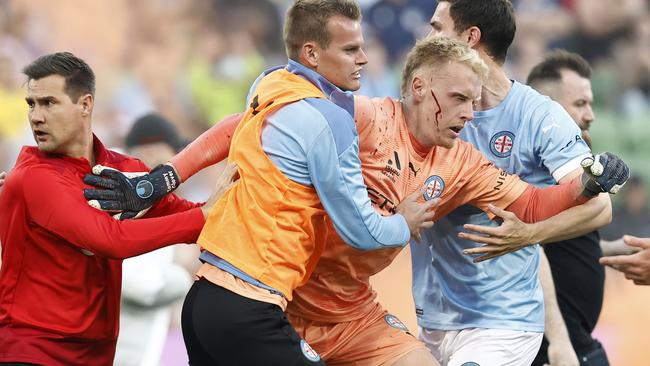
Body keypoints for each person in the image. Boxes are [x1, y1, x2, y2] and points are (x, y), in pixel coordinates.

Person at [85, 36, 629, 366]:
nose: (471, 112)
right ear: (419, 88)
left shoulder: (463, 163)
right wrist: (162, 178)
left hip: (353, 312)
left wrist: (589, 182)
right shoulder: (362, 118)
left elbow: (533, 206)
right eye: (460, 97)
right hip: (282, 300)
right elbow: (247, 122)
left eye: (476, 100)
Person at [87, 1, 437, 364]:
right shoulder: (329, 121)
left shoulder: (271, 83)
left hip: (203, 301)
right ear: (312, 54)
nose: (363, 58)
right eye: (350, 49)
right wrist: (403, 223)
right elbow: (360, 230)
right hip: (249, 308)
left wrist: (159, 181)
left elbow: (230, 128)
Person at [410, 1, 617, 365]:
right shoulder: (429, 108)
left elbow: (599, 207)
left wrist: (529, 235)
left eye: (438, 27)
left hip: (502, 323)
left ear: (469, 38)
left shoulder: (539, 116)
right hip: (433, 318)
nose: (428, 37)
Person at [0, 52, 234, 365]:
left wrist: (222, 208)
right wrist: (202, 218)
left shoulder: (123, 170)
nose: (36, 117)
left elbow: (189, 217)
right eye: (32, 104)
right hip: (32, 350)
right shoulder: (33, 176)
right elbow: (112, 240)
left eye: (49, 103)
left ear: (85, 104)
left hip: (96, 355)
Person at [526, 49, 609, 366]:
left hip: (577, 344)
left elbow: (564, 242)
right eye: (579, 104)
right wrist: (559, 342)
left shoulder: (566, 171)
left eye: (590, 103)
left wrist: (609, 251)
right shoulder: (529, 173)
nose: (590, 115)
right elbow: (529, 250)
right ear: (546, 109)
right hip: (553, 350)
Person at [113, 113, 194, 366]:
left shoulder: (152, 204)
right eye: (173, 156)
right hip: (119, 354)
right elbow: (144, 286)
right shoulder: (125, 203)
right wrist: (184, 274)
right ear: (153, 153)